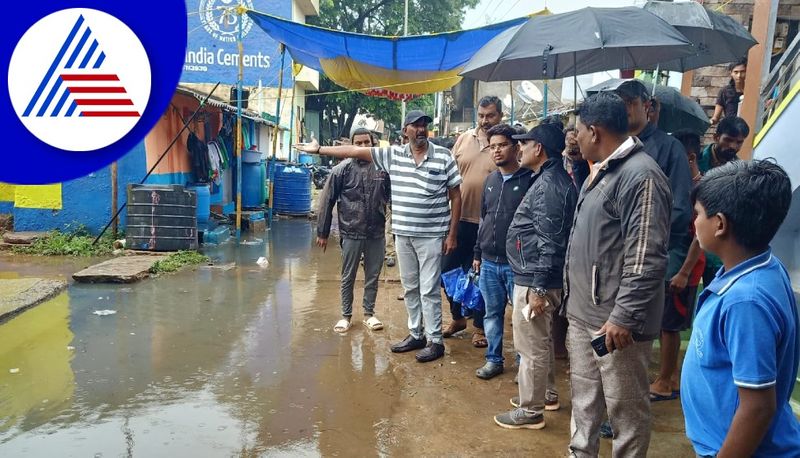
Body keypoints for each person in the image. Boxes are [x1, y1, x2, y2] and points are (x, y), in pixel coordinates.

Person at [295, 110, 462, 363]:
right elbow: (352, 152)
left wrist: (452, 234)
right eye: (415, 126)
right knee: (410, 287)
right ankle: (416, 333)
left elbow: (456, 195)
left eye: (424, 125)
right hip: (403, 234)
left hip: (431, 234)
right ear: (405, 130)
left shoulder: (444, 156)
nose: (420, 129)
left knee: (428, 289)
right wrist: (319, 151)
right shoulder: (393, 155)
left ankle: (435, 340)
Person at [564, 92, 671, 457]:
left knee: (626, 412)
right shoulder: (604, 170)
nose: (574, 138)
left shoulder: (641, 176)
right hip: (585, 315)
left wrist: (623, 316)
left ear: (594, 132)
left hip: (615, 326)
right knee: (584, 403)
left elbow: (646, 257)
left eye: (577, 131)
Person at [682, 159, 800, 456]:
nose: (694, 223)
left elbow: (758, 407)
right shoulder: (758, 268)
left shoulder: (746, 301)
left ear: (719, 224)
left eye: (698, 214)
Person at [493, 122, 577, 429]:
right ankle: (548, 395)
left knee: (531, 348)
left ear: (538, 149)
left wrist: (538, 288)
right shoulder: (549, 179)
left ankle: (531, 411)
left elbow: (551, 242)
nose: (519, 149)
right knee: (540, 343)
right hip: (534, 277)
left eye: (524, 144)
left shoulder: (549, 186)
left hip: (535, 280)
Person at [647, 129, 708, 401]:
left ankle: (666, 381)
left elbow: (699, 239)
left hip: (682, 271)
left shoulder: (699, 191)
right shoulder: (681, 186)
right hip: (673, 267)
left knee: (670, 326)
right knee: (665, 324)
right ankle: (668, 376)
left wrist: (683, 273)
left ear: (689, 157)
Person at [470, 124, 534, 380]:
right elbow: (483, 220)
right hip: (488, 261)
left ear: (516, 147)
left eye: (502, 145)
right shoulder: (491, 181)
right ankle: (494, 359)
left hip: (516, 264)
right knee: (492, 314)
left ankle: (523, 365)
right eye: (492, 146)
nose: (496, 151)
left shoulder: (529, 180)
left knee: (521, 319)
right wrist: (477, 253)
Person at [442, 96, 503, 348]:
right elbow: (449, 173)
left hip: (488, 223)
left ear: (500, 115)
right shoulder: (464, 139)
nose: (485, 121)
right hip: (458, 220)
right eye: (481, 115)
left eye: (490, 115)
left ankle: (479, 327)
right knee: (447, 271)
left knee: (480, 277)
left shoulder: (504, 144)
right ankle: (458, 317)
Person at [316, 128, 390, 334]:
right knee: (348, 275)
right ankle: (345, 315)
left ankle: (369, 314)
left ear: (373, 143)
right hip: (351, 230)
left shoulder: (383, 169)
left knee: (372, 275)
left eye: (367, 142)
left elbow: (393, 198)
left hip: (376, 230)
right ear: (351, 145)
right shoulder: (341, 170)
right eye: (359, 143)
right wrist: (322, 232)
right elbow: (327, 200)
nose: (364, 147)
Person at [695, 116, 750, 286]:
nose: (733, 146)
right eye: (728, 140)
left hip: (718, 247)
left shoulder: (740, 172)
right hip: (689, 237)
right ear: (716, 137)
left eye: (739, 142)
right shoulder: (695, 159)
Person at [710, 58, 747, 125]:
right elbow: (716, 117)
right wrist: (711, 121)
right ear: (731, 73)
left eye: (742, 72)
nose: (739, 75)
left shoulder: (751, 91)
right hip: (730, 128)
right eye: (736, 72)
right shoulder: (725, 91)